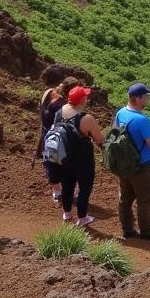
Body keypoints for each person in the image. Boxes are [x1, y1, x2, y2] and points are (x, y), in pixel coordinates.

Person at [114, 83, 150, 240]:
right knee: (144, 199)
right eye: (146, 96)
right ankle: (147, 231)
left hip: (124, 165)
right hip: (141, 166)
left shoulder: (121, 112)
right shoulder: (141, 120)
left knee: (125, 198)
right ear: (137, 99)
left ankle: (128, 229)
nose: (148, 98)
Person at [56, 85, 103, 228]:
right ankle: (82, 218)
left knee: (67, 185)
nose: (87, 98)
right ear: (82, 99)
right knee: (84, 187)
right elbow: (99, 139)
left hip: (63, 156)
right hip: (83, 159)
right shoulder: (86, 118)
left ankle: (67, 214)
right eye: (85, 96)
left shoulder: (59, 111)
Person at [38, 75, 78, 204]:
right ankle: (61, 192)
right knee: (61, 164)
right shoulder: (64, 106)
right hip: (58, 137)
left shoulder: (48, 92)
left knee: (50, 163)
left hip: (45, 134)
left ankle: (56, 191)